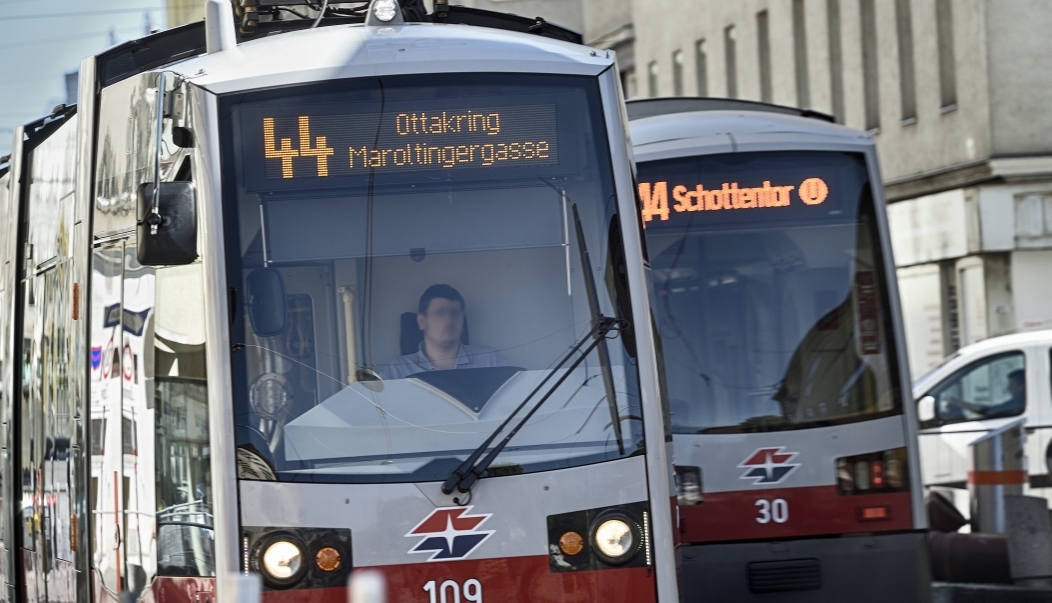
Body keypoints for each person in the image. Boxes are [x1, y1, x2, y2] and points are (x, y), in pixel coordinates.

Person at [381, 284, 509, 379]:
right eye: (439, 313)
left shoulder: (490, 359)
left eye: (455, 313)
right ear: (421, 321)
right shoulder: (396, 371)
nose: (449, 320)